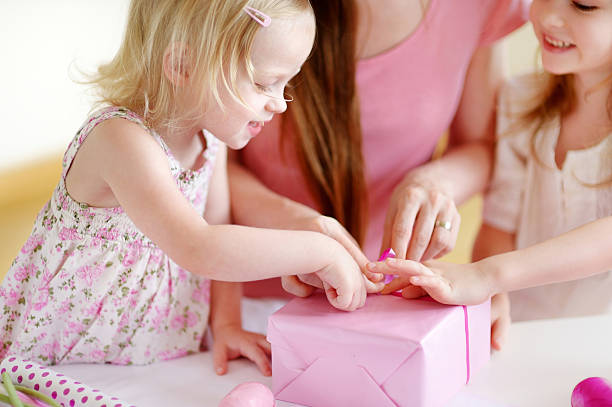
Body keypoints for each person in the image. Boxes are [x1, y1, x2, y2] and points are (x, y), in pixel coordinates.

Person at [0, 0, 381, 372]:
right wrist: (319, 252)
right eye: (266, 82)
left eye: (287, 83)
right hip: (59, 357)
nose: (280, 104)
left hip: (147, 354)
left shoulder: (208, 143)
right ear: (182, 65)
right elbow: (201, 247)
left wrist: (226, 324)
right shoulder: (120, 140)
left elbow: (220, 229)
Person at [228, 0, 528, 303]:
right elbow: (203, 160)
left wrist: (434, 183)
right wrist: (288, 222)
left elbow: (482, 146)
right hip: (234, 298)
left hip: (384, 299)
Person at [370, 0, 612, 349]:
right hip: (522, 337)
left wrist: (488, 275)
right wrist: (491, 293)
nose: (548, 16)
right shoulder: (519, 101)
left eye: (583, 5)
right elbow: (498, 226)